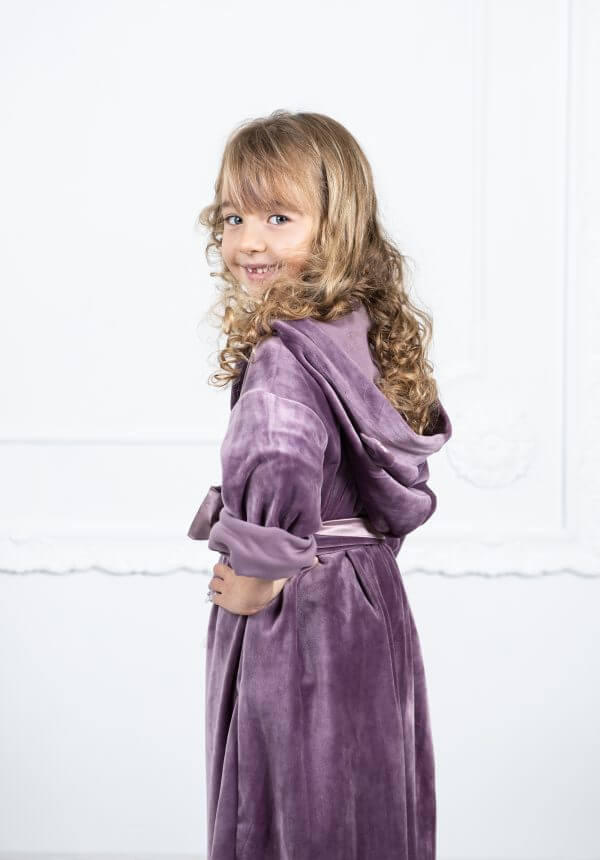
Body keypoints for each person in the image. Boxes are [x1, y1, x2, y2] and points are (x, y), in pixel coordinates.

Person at [187, 110, 453, 860]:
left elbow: (277, 455)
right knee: (362, 794)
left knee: (289, 804)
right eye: (234, 217)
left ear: (337, 227)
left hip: (301, 612)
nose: (250, 240)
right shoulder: (354, 337)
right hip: (367, 600)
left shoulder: (283, 357)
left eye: (279, 217)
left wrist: (260, 567)